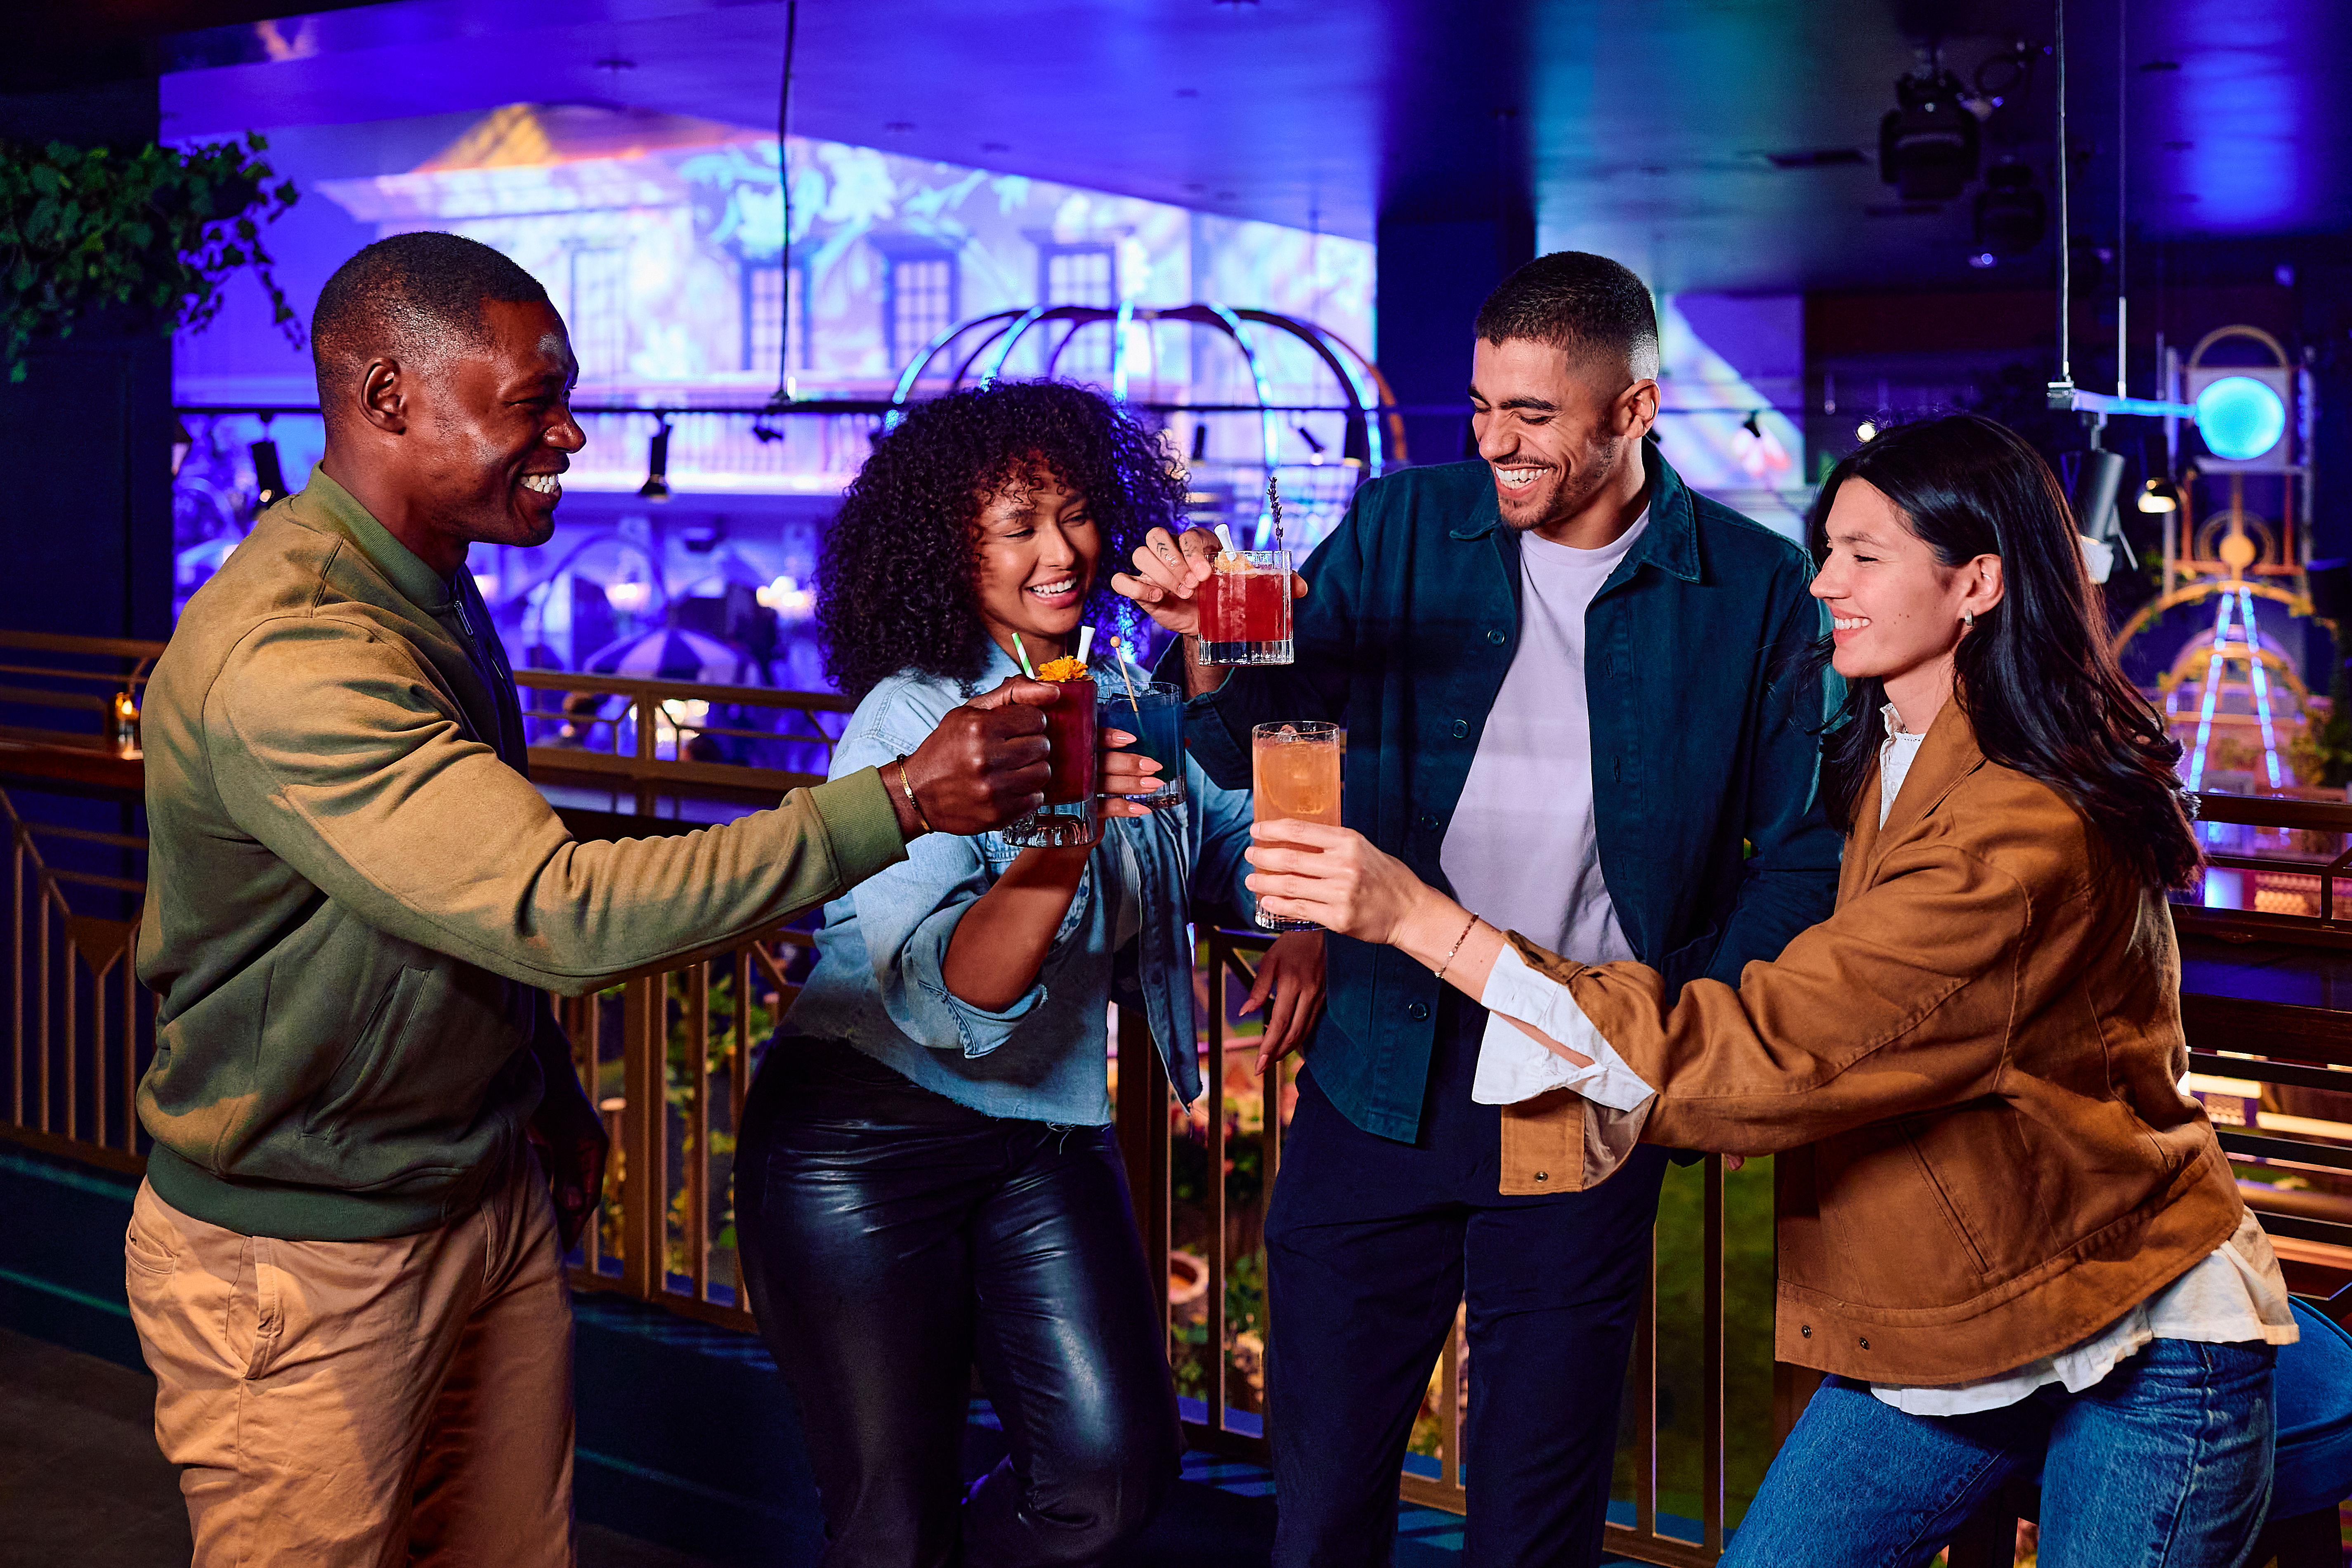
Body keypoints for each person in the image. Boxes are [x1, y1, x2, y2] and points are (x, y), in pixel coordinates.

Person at [127, 232, 1060, 1568]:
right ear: (390, 398)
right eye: (534, 399)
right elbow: (551, 906)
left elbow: (435, 905)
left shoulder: (431, 590)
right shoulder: (299, 652)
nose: (571, 431)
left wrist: (543, 1090)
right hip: (306, 1252)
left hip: (475, 1192)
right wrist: (898, 801)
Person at [1245, 412, 2296, 1568]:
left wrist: (1418, 920)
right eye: (1825, 550)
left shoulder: (2014, 826)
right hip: (1959, 1318)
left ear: (1976, 584)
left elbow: (1770, 1051)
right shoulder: (1897, 751)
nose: (1821, 586)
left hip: (2126, 1336)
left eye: (1862, 556)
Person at [1112, 250, 1841, 1562]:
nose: (1497, 443)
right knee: (1322, 1497)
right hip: (1378, 1062)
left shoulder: (1755, 586)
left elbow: (1799, 851)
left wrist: (1685, 1047)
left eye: (1536, 416)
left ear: (1633, 411)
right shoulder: (1400, 523)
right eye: (1481, 407)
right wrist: (1210, 633)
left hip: (1576, 1075)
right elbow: (1255, 736)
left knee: (1530, 1516)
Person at [734, 378, 1326, 1567]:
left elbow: (1235, 865)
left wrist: (1228, 687)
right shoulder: (913, 720)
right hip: (861, 1139)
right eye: (1015, 526)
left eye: (1070, 514)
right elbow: (955, 993)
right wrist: (1065, 833)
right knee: (890, 1524)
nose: (1057, 551)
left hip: (1039, 1133)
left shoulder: (1125, 695)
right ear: (948, 551)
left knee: (1110, 1478)